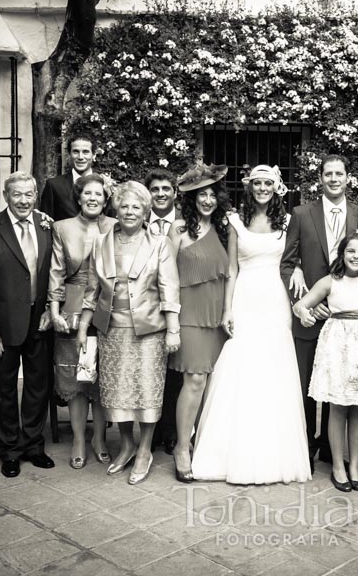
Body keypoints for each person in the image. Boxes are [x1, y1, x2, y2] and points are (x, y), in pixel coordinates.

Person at [191, 165, 311, 484]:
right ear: (250, 187)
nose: (262, 188)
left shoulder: (287, 221)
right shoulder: (234, 221)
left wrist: (298, 268)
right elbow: (231, 267)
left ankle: (274, 454)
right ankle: (229, 454)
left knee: (274, 370)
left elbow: (293, 257)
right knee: (241, 368)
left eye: (267, 183)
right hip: (245, 299)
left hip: (275, 301)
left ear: (276, 187)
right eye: (257, 183)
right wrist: (228, 308)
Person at [76, 180, 181, 485]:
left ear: (146, 210)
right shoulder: (101, 243)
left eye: (136, 207)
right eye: (124, 206)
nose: (130, 211)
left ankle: (145, 450)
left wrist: (173, 330)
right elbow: (91, 290)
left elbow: (169, 289)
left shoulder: (160, 244)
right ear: (116, 209)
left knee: (147, 392)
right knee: (117, 393)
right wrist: (84, 326)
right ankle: (127, 446)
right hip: (112, 330)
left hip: (149, 332)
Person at [293, 232, 358, 492]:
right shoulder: (330, 281)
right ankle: (338, 465)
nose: (356, 256)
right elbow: (301, 304)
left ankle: (355, 465)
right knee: (338, 406)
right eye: (351, 251)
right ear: (342, 253)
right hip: (338, 346)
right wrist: (305, 313)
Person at [281, 154, 358, 467]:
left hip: (344, 316)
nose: (333, 179)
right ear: (320, 179)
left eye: (339, 173)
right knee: (305, 385)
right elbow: (287, 262)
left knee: (336, 382)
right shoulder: (301, 214)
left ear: (347, 178)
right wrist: (301, 296)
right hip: (310, 314)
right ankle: (304, 446)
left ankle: (330, 447)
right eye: (328, 174)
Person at [0, 172, 55, 478]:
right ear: (6, 196)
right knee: (4, 389)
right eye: (17, 194)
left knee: (38, 386)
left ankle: (33, 445)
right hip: (5, 321)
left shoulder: (47, 226)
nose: (23, 200)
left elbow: (54, 273)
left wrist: (51, 308)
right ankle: (9, 450)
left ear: (36, 196)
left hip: (40, 319)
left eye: (29, 194)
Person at [167, 163, 230, 483]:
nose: (207, 200)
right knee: (194, 382)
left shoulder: (225, 229)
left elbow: (234, 272)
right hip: (188, 315)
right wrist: (171, 321)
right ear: (190, 199)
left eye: (211, 194)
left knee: (210, 385)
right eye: (200, 195)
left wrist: (230, 312)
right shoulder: (177, 230)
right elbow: (165, 277)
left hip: (218, 317)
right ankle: (181, 447)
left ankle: (203, 443)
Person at [48, 174, 116, 469]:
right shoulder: (62, 227)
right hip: (72, 310)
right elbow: (56, 272)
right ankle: (78, 439)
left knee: (101, 380)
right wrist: (53, 311)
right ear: (78, 197)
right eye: (87, 193)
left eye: (98, 194)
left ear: (105, 199)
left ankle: (99, 438)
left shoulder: (116, 226)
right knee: (77, 381)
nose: (92, 198)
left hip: (109, 309)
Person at [145, 168, 184, 456]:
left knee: (174, 372)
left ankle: (170, 431)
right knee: (148, 371)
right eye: (155, 189)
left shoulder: (184, 224)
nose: (160, 194)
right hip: (145, 308)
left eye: (165, 189)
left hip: (177, 306)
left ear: (174, 192)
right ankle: (150, 432)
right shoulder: (137, 221)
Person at [40, 132, 97, 222]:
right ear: (69, 155)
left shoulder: (104, 185)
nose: (80, 157)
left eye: (85, 152)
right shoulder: (54, 186)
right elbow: (45, 223)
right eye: (75, 152)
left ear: (94, 155)